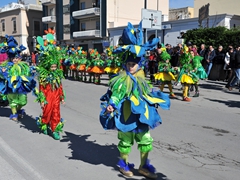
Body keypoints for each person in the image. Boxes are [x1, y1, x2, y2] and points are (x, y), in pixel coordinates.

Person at [99, 21, 170, 179]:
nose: (131, 66)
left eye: (134, 64)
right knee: (126, 141)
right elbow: (117, 94)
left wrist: (153, 98)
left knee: (145, 139)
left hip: (142, 115)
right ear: (125, 64)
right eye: (129, 64)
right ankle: (124, 164)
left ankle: (144, 166)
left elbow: (146, 91)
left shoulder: (142, 77)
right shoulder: (122, 79)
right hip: (126, 115)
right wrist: (112, 104)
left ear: (139, 65)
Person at [35, 35, 65, 140]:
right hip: (47, 97)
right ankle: (45, 124)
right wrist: (42, 100)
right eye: (52, 67)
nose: (53, 68)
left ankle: (55, 130)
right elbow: (41, 88)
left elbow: (60, 86)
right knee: (47, 112)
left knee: (56, 113)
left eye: (55, 67)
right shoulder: (44, 76)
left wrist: (62, 97)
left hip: (56, 97)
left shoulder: (57, 75)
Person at [0, 35, 36, 121]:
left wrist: (31, 72)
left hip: (20, 87)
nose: (15, 60)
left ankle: (19, 109)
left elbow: (27, 74)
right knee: (12, 101)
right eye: (13, 58)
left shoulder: (23, 65)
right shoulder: (7, 66)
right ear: (11, 58)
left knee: (23, 101)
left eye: (16, 58)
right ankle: (14, 114)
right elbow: (2, 76)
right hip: (10, 87)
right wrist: (3, 72)